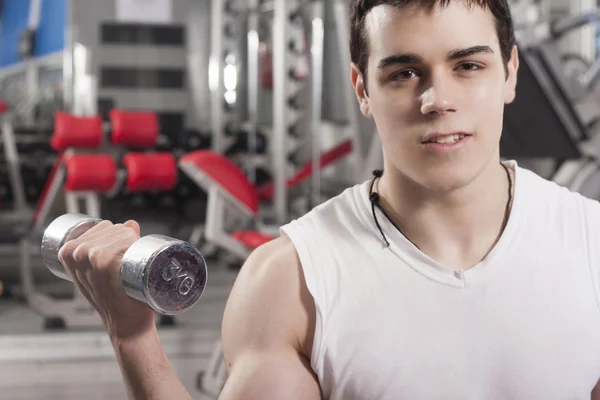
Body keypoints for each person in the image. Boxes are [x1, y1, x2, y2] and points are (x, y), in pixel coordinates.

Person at [57, 0, 600, 399]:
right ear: (363, 90)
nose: (438, 100)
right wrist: (133, 338)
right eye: (406, 73)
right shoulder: (290, 282)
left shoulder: (591, 244)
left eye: (468, 66)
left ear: (509, 73)